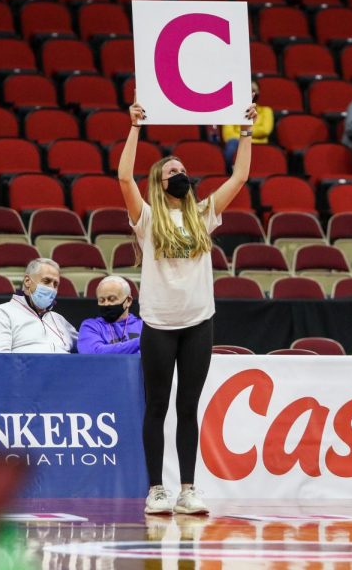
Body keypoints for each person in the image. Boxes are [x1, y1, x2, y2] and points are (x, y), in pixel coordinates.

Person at [119, 97, 257, 515]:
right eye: (171, 172)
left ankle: (188, 490)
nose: (180, 174)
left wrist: (246, 132)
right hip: (159, 323)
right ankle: (156, 489)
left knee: (188, 406)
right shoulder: (145, 218)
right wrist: (135, 128)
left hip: (199, 322)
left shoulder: (202, 214)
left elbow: (241, 175)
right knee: (157, 404)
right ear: (159, 184)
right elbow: (124, 177)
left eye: (182, 170)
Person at [0, 258, 77, 353]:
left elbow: (86, 345)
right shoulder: (2, 312)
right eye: (46, 281)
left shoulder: (60, 320)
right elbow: (0, 360)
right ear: (27, 281)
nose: (52, 288)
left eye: (55, 284)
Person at [76, 276, 143, 354]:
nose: (106, 304)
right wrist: (142, 341)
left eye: (112, 299)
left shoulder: (143, 326)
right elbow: (93, 353)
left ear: (128, 301)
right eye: (101, 300)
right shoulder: (90, 326)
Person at [220, 79, 273, 166]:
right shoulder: (231, 111)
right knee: (232, 144)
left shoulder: (266, 111)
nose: (252, 93)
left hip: (259, 146)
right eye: (249, 90)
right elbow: (228, 135)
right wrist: (249, 135)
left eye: (254, 90)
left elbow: (265, 130)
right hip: (238, 144)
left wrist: (242, 133)